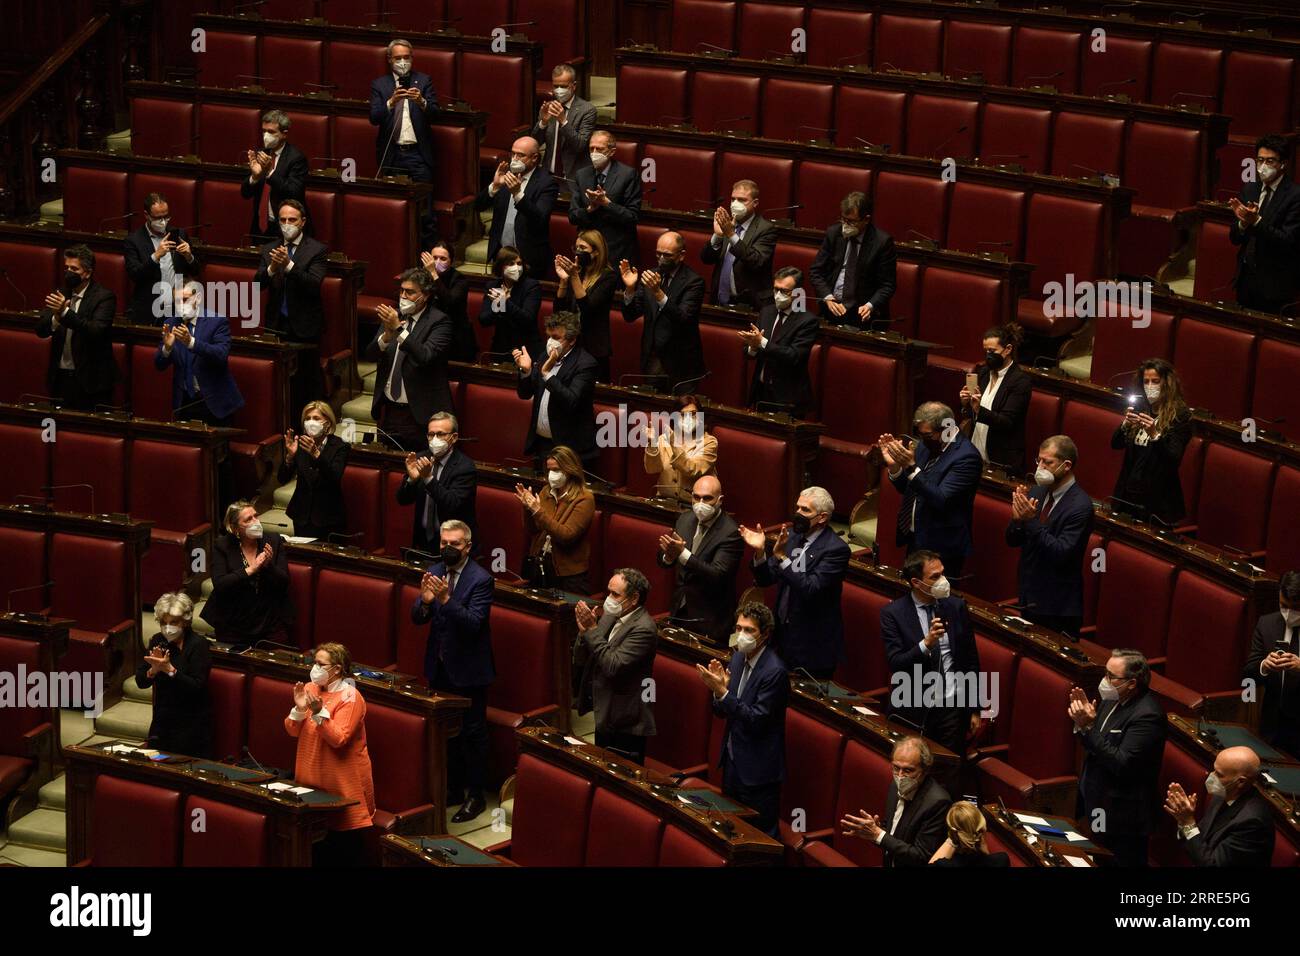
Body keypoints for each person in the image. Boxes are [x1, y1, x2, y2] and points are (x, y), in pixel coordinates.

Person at [411, 520, 494, 823]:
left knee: (472, 735)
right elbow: (418, 616)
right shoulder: (433, 572)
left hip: (470, 670)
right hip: (440, 666)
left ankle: (476, 796)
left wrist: (445, 600)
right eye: (444, 543)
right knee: (446, 735)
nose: (447, 548)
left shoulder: (481, 579)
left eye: (454, 544)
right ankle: (454, 789)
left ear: (468, 546)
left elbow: (474, 623)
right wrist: (425, 602)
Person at [696, 602, 788, 837]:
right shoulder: (737, 658)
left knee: (760, 837)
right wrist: (719, 693)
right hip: (733, 763)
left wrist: (724, 694)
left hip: (758, 771)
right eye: (738, 628)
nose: (742, 635)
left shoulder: (774, 672)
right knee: (731, 831)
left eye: (749, 630)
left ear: (765, 634)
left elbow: (756, 719)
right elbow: (722, 711)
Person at [1069, 648, 1166, 867]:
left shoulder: (1148, 716)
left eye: (1111, 676)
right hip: (1097, 800)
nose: (1105, 680)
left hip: (1123, 817)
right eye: (1105, 673)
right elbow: (1094, 746)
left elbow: (1122, 764)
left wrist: (1089, 727)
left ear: (1132, 683)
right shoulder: (1111, 698)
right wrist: (1082, 726)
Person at [741, 486, 850, 679]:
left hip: (813, 646)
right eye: (798, 507)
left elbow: (810, 588)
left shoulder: (836, 550)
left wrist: (783, 558)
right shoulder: (792, 537)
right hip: (782, 637)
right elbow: (766, 579)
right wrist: (760, 553)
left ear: (822, 517)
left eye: (805, 510)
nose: (798, 513)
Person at [880, 549, 982, 755]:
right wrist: (926, 644)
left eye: (943, 573)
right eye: (935, 577)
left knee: (948, 768)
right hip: (912, 706)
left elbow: (970, 659)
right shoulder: (893, 614)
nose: (943, 580)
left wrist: (974, 708)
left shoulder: (956, 607)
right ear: (916, 582)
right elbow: (896, 663)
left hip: (952, 708)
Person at [285, 642, 375, 866]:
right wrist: (298, 709)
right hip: (311, 778)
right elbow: (292, 730)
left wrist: (318, 713)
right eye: (314, 662)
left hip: (342, 784)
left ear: (336, 669)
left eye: (320, 664)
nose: (315, 668)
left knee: (342, 852)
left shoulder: (351, 698)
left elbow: (338, 739)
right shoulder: (310, 688)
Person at [879, 401, 983, 576]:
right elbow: (909, 488)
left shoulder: (967, 458)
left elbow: (941, 499)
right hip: (916, 537)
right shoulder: (926, 446)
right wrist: (895, 468)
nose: (923, 439)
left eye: (927, 435)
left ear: (947, 428)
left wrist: (911, 467)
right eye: (921, 435)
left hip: (942, 547)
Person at [1005, 435, 1094, 638]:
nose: (1040, 467)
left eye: (1048, 462)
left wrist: (1030, 521)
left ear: (1066, 465)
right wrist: (1018, 521)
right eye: (1039, 461)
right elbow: (1012, 540)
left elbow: (1061, 553)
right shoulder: (1038, 490)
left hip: (1057, 607)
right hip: (1029, 595)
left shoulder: (1080, 507)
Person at [574, 568, 658, 764]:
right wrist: (583, 633)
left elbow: (613, 665)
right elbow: (582, 658)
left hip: (626, 721)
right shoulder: (610, 616)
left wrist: (592, 630)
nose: (608, 599)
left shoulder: (644, 629)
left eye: (615, 594)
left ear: (634, 597)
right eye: (608, 592)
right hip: (604, 711)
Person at [367, 267, 454, 451]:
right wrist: (386, 337)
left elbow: (425, 356)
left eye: (410, 292)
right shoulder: (394, 316)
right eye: (402, 291)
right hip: (389, 412)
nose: (404, 296)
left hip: (420, 415)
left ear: (426, 295)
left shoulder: (440, 322)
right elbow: (370, 354)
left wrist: (398, 330)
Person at [256, 199, 326, 411]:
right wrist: (272, 268)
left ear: (302, 222)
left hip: (305, 327)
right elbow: (258, 283)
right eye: (283, 220)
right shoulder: (270, 248)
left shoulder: (317, 250)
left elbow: (314, 284)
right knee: (279, 384)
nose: (287, 224)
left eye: (292, 220)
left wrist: (289, 266)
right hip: (277, 325)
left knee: (306, 384)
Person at [840, 736, 951, 867]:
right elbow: (890, 833)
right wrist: (872, 832)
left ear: (925, 770)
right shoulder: (895, 785)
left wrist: (878, 834)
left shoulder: (938, 802)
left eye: (908, 770)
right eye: (896, 768)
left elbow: (921, 857)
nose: (900, 776)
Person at [659, 475, 743, 643]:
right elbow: (664, 559)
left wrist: (682, 554)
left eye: (707, 498)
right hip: (680, 609)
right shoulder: (684, 519)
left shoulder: (731, 533)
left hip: (710, 618)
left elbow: (717, 574)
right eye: (696, 497)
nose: (700, 503)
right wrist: (668, 557)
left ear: (720, 500)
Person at [371, 38, 439, 245]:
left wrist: (422, 102)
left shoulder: (424, 81)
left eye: (406, 57)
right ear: (390, 59)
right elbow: (374, 118)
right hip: (393, 155)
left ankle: (426, 257)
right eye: (398, 58)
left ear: (412, 58)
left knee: (425, 213)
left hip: (418, 155)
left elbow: (436, 114)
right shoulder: (380, 85)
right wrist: (391, 102)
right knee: (394, 208)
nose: (402, 62)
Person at [200, 501, 294, 651]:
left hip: (269, 618)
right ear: (235, 528)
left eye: (255, 516)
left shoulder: (273, 540)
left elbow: (284, 582)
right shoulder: (222, 545)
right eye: (248, 519)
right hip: (233, 620)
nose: (255, 521)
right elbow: (220, 584)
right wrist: (251, 569)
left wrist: (268, 566)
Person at [619, 230, 706, 391]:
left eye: (667, 256)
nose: (661, 260)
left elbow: (683, 319)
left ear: (681, 255)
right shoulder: (650, 276)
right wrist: (630, 289)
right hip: (653, 360)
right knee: (652, 414)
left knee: (684, 414)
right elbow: (630, 315)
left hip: (682, 365)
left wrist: (658, 293)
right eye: (658, 254)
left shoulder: (694, 282)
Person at [1110, 358, 1192, 526]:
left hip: (1158, 502)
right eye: (1146, 381)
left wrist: (1155, 435)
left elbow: (1173, 460)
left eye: (1155, 381)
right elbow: (1116, 444)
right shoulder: (1141, 407)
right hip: (1128, 496)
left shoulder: (1180, 416)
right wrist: (1125, 424)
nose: (1150, 386)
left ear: (1167, 383)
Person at [36, 244, 117, 411]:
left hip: (91, 382)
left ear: (87, 272)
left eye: (74, 268)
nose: (68, 272)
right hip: (60, 379)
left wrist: (64, 313)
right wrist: (57, 318)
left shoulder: (104, 297)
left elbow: (96, 331)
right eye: (66, 268)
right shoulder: (61, 292)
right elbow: (41, 330)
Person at [1164, 746, 1275, 867]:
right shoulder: (1222, 794)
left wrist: (1187, 822)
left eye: (1219, 774)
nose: (1212, 776)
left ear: (1240, 782)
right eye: (1214, 770)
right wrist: (1183, 819)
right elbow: (1200, 841)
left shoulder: (1253, 822)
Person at [514, 311, 598, 468]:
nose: (551, 342)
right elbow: (525, 394)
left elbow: (571, 400)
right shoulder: (543, 357)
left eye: (557, 338)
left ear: (572, 340)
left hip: (570, 450)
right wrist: (526, 371)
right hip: (542, 446)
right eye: (549, 336)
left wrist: (546, 375)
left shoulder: (585, 364)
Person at [154, 280, 243, 426]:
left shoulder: (217, 321)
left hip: (214, 404)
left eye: (185, 299)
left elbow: (221, 355)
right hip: (184, 404)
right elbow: (159, 365)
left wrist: (191, 343)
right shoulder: (171, 324)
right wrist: (167, 349)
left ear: (198, 298)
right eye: (177, 301)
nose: (181, 305)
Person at [135, 592, 212, 758]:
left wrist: (170, 670)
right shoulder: (157, 641)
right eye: (164, 622)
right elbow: (140, 681)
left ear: (184, 622)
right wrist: (153, 670)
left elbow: (197, 687)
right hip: (162, 721)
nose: (168, 628)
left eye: (174, 622)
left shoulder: (199, 645)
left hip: (191, 725)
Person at [1229, 133, 1300, 314]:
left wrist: (1257, 222)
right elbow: (1234, 238)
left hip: (1274, 286)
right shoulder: (1249, 189)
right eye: (1260, 160)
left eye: (1270, 161)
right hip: (1245, 280)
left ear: (1283, 164)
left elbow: (1288, 241)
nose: (1262, 167)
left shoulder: (1295, 196)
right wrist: (1243, 224)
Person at [475, 136, 558, 279]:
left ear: (534, 158)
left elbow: (540, 218)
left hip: (528, 258)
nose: (515, 159)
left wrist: (518, 194)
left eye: (521, 155)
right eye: (513, 153)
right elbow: (478, 206)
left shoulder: (547, 183)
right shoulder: (505, 176)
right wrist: (494, 187)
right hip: (500, 254)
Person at [395, 412, 477, 555]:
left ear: (454, 437)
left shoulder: (465, 467)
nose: (434, 440)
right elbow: (402, 500)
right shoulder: (420, 458)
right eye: (431, 434)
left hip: (453, 545)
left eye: (440, 434)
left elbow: (452, 503)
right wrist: (412, 480)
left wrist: (428, 478)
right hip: (421, 542)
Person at [517, 445, 596, 594]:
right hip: (541, 567)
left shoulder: (584, 498)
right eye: (549, 470)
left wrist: (538, 511)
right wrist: (528, 509)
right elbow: (533, 530)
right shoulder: (546, 491)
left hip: (569, 577)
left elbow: (566, 535)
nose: (552, 474)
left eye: (557, 470)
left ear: (570, 469)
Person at [810, 191, 896, 327]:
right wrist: (827, 298)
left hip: (863, 316)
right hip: (832, 309)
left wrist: (870, 305)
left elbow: (887, 285)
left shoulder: (882, 242)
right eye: (843, 219)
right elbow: (816, 271)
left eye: (851, 221)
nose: (845, 225)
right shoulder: (834, 233)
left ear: (866, 219)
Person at [742, 266, 818, 418]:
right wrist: (752, 347)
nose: (778, 295)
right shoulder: (766, 312)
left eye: (784, 291)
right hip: (761, 392)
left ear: (797, 294)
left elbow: (793, 356)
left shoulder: (808, 321)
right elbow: (751, 354)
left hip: (788, 398)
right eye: (776, 289)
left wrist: (762, 342)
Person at [1242, 569, 1300, 757]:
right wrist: (1264, 666)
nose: (1289, 613)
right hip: (1271, 727)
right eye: (1284, 605)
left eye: (1296, 608)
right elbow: (1247, 678)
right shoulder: (1266, 624)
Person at [960, 323, 1031, 474]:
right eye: (986, 351)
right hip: (975, 452)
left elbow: (1007, 422)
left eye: (992, 351)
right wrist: (966, 404)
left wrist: (979, 409)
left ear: (1008, 349)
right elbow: (971, 415)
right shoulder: (984, 372)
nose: (988, 356)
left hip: (1001, 460)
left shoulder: (1020, 381)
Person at [568, 129, 641, 268]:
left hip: (615, 250)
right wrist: (590, 209)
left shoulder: (628, 175)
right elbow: (573, 216)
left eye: (599, 149)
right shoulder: (582, 175)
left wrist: (606, 203)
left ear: (612, 151)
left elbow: (632, 217)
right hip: (587, 250)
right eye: (591, 148)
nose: (594, 153)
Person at [124, 192, 199, 324]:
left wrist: (189, 256)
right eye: (158, 218)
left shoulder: (179, 234)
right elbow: (134, 275)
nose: (163, 222)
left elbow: (196, 271)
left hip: (177, 308)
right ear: (147, 215)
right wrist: (155, 256)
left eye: (166, 216)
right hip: (148, 308)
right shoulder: (134, 240)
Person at [700, 179, 776, 308]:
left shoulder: (766, 229)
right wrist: (718, 236)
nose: (735, 204)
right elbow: (706, 259)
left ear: (755, 203)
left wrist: (731, 235)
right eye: (733, 199)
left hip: (749, 305)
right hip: (718, 302)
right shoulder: (726, 223)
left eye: (742, 200)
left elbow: (756, 261)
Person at [280, 400, 349, 541]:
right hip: (302, 515)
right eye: (307, 418)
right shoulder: (299, 444)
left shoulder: (340, 447)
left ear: (327, 423)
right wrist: (289, 457)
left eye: (316, 418)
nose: (311, 422)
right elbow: (282, 479)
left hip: (328, 517)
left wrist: (317, 455)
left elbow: (334, 478)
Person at [554, 230, 617, 381]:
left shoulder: (608, 277)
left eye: (583, 248)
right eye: (576, 248)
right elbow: (559, 312)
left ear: (596, 252)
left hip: (594, 348)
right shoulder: (577, 274)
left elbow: (588, 309)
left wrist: (573, 277)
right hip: (571, 345)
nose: (578, 252)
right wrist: (564, 281)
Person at [241, 110, 307, 240]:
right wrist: (254, 177)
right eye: (264, 131)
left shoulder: (296, 158)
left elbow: (294, 192)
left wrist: (270, 173)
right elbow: (245, 193)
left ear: (284, 134)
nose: (266, 136)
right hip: (259, 228)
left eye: (271, 132)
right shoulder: (259, 153)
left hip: (285, 229)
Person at [642, 394, 718, 502]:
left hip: (694, 505)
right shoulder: (665, 439)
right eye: (682, 415)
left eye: (693, 414)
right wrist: (653, 443)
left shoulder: (709, 442)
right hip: (664, 501)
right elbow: (652, 469)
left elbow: (693, 469)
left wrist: (674, 445)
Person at [531, 63, 596, 182]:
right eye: (556, 86)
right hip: (548, 174)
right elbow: (535, 143)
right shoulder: (548, 107)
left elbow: (580, 146)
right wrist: (543, 122)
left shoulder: (587, 110)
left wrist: (563, 121)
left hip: (573, 177)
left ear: (574, 85)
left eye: (563, 86)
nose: (559, 90)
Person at [478, 246, 542, 361]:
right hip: (501, 348)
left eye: (519, 263)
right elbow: (484, 320)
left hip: (526, 348)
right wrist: (499, 306)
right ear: (501, 266)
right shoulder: (494, 286)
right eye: (511, 264)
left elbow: (527, 319)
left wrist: (505, 303)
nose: (516, 268)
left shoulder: (531, 286)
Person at [421, 241, 475, 363]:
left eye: (443, 259)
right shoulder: (422, 277)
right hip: (428, 331)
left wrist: (434, 274)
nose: (437, 262)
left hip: (455, 336)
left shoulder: (460, 280)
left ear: (451, 261)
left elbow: (449, 302)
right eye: (434, 258)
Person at [928, 802, 1010, 867]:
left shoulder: (943, 864)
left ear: (954, 834)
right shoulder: (1001, 861)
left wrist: (952, 839)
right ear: (982, 829)